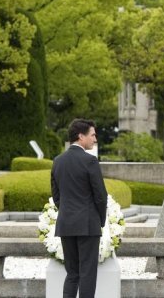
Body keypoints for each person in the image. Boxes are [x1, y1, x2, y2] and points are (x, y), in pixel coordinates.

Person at [50, 119, 108, 298]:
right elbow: (100, 195)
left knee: (72, 273)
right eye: (92, 135)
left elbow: (56, 196)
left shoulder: (57, 161)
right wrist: (100, 219)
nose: (95, 139)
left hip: (66, 224)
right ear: (80, 136)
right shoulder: (90, 161)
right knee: (87, 274)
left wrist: (68, 212)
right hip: (88, 225)